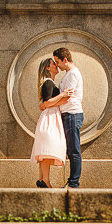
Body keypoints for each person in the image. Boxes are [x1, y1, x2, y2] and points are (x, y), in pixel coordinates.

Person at [30, 57, 74, 188]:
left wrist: (61, 100)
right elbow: (48, 103)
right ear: (48, 68)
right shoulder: (48, 83)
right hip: (50, 118)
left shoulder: (49, 83)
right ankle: (46, 181)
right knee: (46, 151)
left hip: (50, 116)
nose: (56, 65)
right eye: (53, 64)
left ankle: (42, 179)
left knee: (46, 151)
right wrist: (63, 95)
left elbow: (46, 103)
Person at [53, 47, 83, 188]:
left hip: (72, 114)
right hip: (68, 115)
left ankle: (73, 184)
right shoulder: (69, 74)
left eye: (57, 61)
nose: (56, 64)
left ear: (65, 60)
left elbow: (67, 98)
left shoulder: (73, 74)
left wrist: (49, 104)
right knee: (71, 150)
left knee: (74, 150)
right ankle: (72, 182)